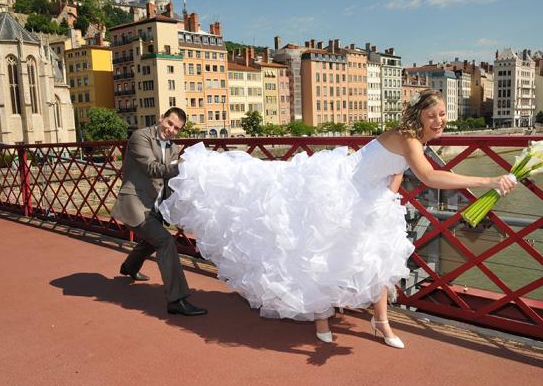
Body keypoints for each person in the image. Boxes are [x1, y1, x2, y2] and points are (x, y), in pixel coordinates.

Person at [159, 90, 515, 344]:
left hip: (369, 195)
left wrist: (382, 205)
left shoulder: (413, 140)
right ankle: (320, 321)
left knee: (379, 257)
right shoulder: (409, 138)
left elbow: (394, 173)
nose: (438, 121)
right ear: (418, 117)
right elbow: (429, 177)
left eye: (441, 114)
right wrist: (488, 179)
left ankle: (382, 323)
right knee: (320, 254)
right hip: (339, 186)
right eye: (431, 115)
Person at [112, 107, 207, 316]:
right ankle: (177, 299)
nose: (171, 130)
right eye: (169, 124)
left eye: (177, 128)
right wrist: (185, 168)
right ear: (161, 118)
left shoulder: (173, 148)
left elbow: (169, 180)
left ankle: (129, 266)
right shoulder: (140, 137)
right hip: (135, 203)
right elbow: (153, 169)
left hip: (154, 205)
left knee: (152, 239)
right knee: (165, 241)